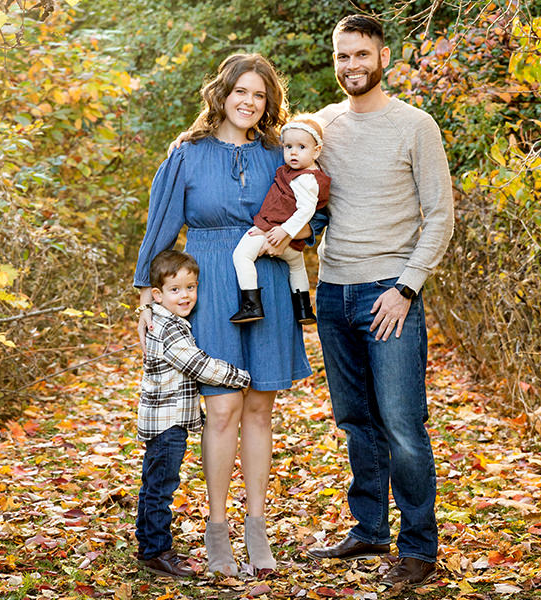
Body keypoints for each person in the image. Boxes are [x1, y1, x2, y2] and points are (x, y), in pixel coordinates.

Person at [134, 53, 312, 576]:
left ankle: (257, 529)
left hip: (268, 281)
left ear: (269, 103)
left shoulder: (281, 153)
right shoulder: (187, 154)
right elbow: (161, 224)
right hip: (210, 284)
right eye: (241, 91)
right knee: (222, 410)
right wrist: (146, 290)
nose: (249, 102)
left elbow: (313, 204)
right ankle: (217, 530)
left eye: (259, 95)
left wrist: (296, 236)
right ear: (222, 93)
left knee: (260, 410)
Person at [299, 14, 454, 588]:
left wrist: (407, 287)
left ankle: (418, 546)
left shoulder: (415, 125)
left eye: (362, 55)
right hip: (334, 292)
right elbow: (307, 199)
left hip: (391, 293)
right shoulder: (322, 126)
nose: (352, 66)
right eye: (343, 56)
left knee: (403, 424)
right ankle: (368, 530)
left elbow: (440, 216)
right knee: (355, 420)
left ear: (384, 58)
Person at [135, 249, 251, 579]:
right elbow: (197, 365)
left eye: (191, 287)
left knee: (152, 483)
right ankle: (158, 550)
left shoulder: (169, 320)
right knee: (161, 487)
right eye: (175, 290)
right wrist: (239, 376)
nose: (185, 296)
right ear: (157, 295)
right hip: (167, 422)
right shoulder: (169, 329)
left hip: (165, 421)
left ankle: (147, 544)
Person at [230, 115, 331, 325]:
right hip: (290, 243)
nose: (293, 152)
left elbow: (306, 210)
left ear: (317, 150)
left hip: (274, 232)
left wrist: (284, 231)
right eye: (288, 146)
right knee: (296, 267)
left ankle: (251, 305)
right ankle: (303, 308)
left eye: (301, 147)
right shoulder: (301, 173)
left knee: (242, 256)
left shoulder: (306, 178)